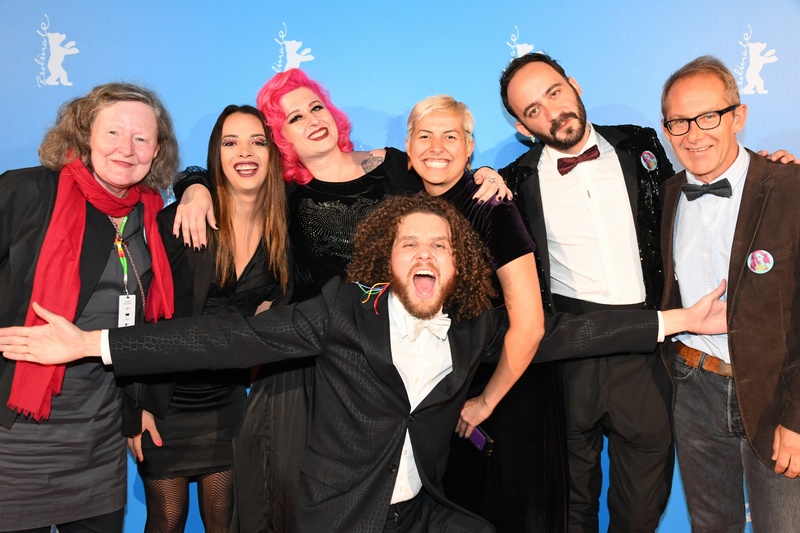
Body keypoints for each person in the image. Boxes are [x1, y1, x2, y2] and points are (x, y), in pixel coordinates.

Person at [0, 195, 726, 533]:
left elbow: (566, 332)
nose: (424, 254)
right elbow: (224, 340)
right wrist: (92, 344)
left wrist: (679, 321)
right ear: (386, 257)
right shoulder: (345, 308)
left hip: (426, 509)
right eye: (410, 244)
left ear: (459, 262)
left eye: (439, 245)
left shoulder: (476, 323)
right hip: (345, 513)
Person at [171, 68, 510, 533]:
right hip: (328, 372)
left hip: (408, 357)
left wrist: (483, 175)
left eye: (316, 107)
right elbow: (226, 176)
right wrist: (193, 187)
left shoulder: (394, 164)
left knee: (408, 488)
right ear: (281, 137)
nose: (312, 119)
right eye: (294, 118)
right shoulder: (285, 194)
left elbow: (444, 189)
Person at [497, 52, 678, 532]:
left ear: (574, 85)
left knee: (640, 513)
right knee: (570, 511)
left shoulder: (640, 142)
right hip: (566, 357)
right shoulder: (514, 182)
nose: (552, 112)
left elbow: (692, 194)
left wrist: (761, 170)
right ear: (522, 127)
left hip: (648, 350)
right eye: (533, 110)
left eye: (554, 92)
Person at [0, 82, 178, 532]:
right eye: (113, 132)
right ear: (85, 135)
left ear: (157, 150)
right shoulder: (28, 191)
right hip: (15, 433)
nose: (127, 149)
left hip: (99, 438)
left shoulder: (149, 214)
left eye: (141, 138)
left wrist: (196, 187)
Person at [130, 105, 291, 533]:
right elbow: (139, 314)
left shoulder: (283, 226)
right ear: (216, 154)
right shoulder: (184, 220)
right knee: (167, 519)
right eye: (230, 142)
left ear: (273, 153)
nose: (245, 152)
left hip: (228, 404)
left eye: (258, 142)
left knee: (225, 522)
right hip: (164, 403)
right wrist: (134, 406)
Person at [659, 55, 800, 531]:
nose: (693, 134)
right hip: (692, 387)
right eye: (678, 122)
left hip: (775, 395)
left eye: (708, 117)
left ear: (738, 116)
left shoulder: (790, 188)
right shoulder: (668, 194)